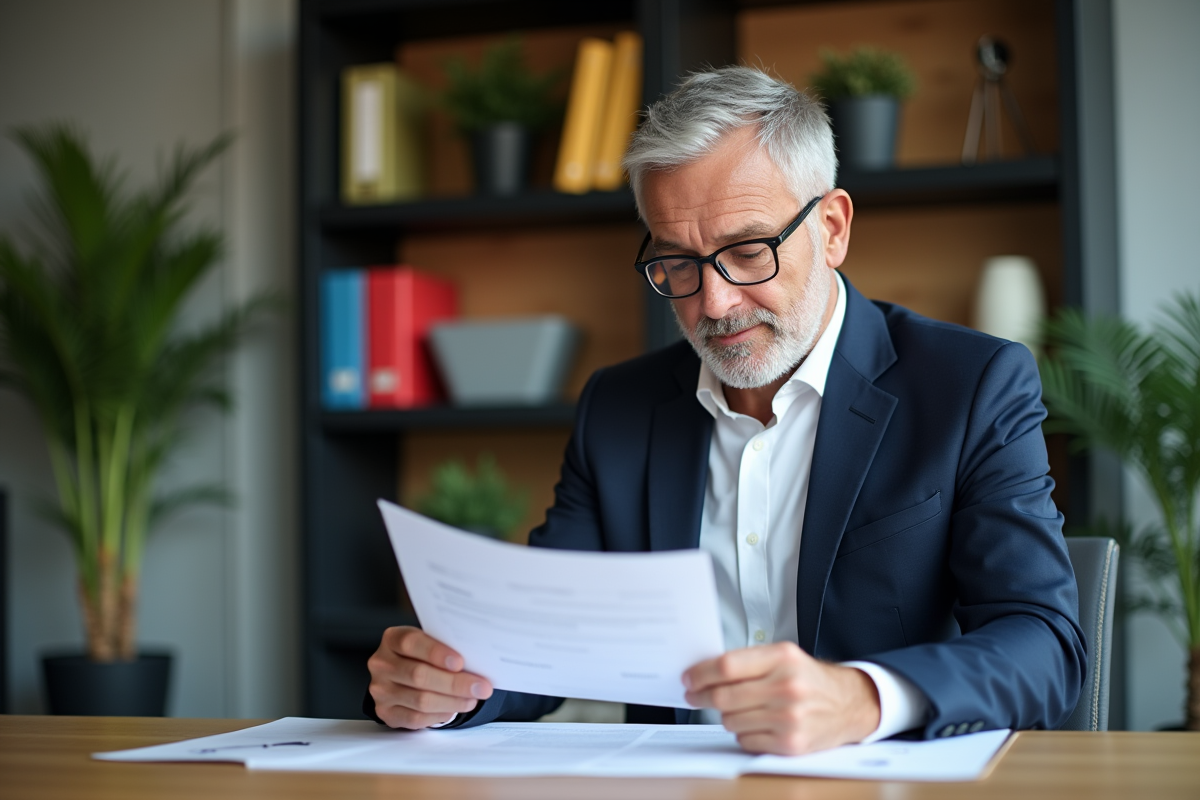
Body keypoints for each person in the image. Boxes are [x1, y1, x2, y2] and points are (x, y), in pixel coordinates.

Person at [365, 66, 1086, 756]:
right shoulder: (620, 407)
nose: (714, 303)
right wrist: (449, 687)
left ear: (832, 228)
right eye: (676, 262)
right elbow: (546, 645)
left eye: (748, 252)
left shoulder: (970, 385)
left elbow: (1044, 643)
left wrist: (862, 698)